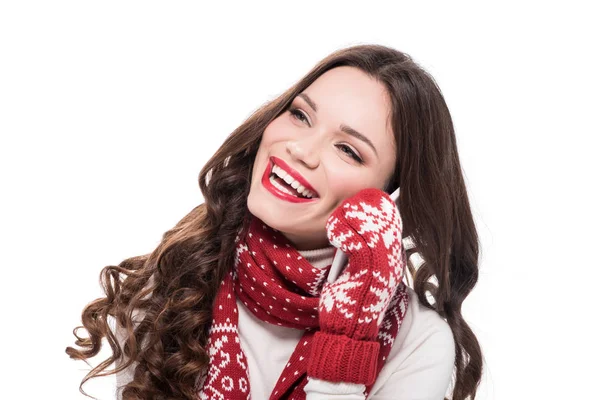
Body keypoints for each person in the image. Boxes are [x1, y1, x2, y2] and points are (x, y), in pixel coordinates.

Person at [66, 44, 483, 399]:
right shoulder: (171, 281)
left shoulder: (419, 344)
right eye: (301, 115)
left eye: (348, 150)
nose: (301, 149)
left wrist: (347, 345)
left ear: (389, 195)